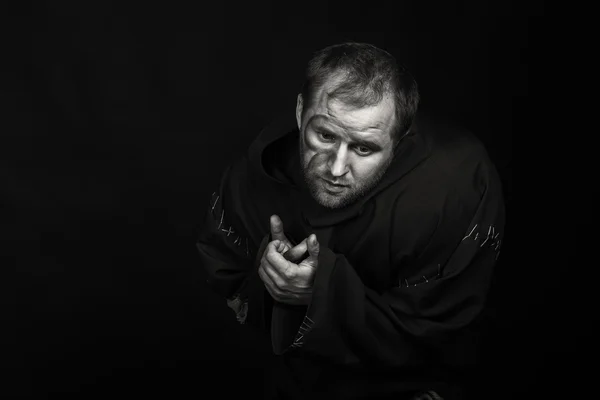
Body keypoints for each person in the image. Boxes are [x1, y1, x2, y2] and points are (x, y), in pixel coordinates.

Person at [196, 42, 505, 400]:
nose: (336, 168)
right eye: (325, 135)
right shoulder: (253, 177)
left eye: (363, 148)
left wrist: (321, 292)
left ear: (399, 139)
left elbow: (442, 339)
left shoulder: (458, 186)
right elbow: (225, 280)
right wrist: (267, 276)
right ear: (300, 112)